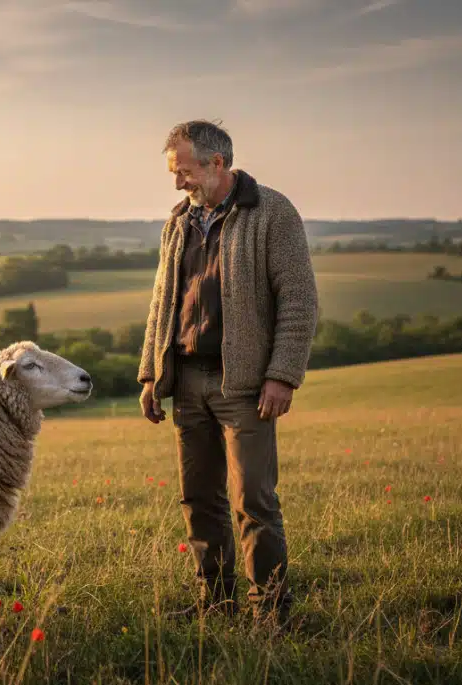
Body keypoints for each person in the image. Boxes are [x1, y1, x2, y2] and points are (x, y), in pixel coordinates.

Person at [137, 119, 319, 629]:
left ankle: (271, 614)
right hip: (185, 380)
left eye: (184, 172)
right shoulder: (178, 221)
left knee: (253, 501)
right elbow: (161, 302)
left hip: (244, 385)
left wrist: (283, 375)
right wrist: (151, 373)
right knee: (199, 499)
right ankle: (215, 604)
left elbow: (299, 300)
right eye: (174, 173)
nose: (178, 183)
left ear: (217, 163)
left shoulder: (273, 213)